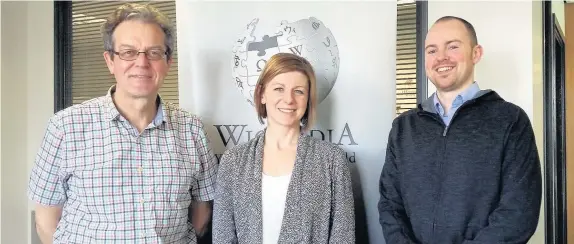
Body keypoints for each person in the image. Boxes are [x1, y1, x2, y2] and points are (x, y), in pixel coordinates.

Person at [27, 3, 217, 243]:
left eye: (154, 52)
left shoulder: (192, 131)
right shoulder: (65, 128)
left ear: (168, 62)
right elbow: (46, 220)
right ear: (109, 61)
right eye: (128, 52)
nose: (142, 63)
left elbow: (202, 211)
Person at [378, 16, 542, 243]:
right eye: (431, 50)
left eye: (453, 46)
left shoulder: (511, 121)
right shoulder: (403, 127)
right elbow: (390, 204)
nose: (441, 57)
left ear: (476, 53)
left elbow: (518, 212)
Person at [212, 52, 355, 243]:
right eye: (279, 88)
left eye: (299, 91)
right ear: (262, 94)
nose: (289, 99)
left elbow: (343, 237)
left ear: (308, 99)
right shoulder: (234, 161)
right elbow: (223, 237)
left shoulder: (332, 161)